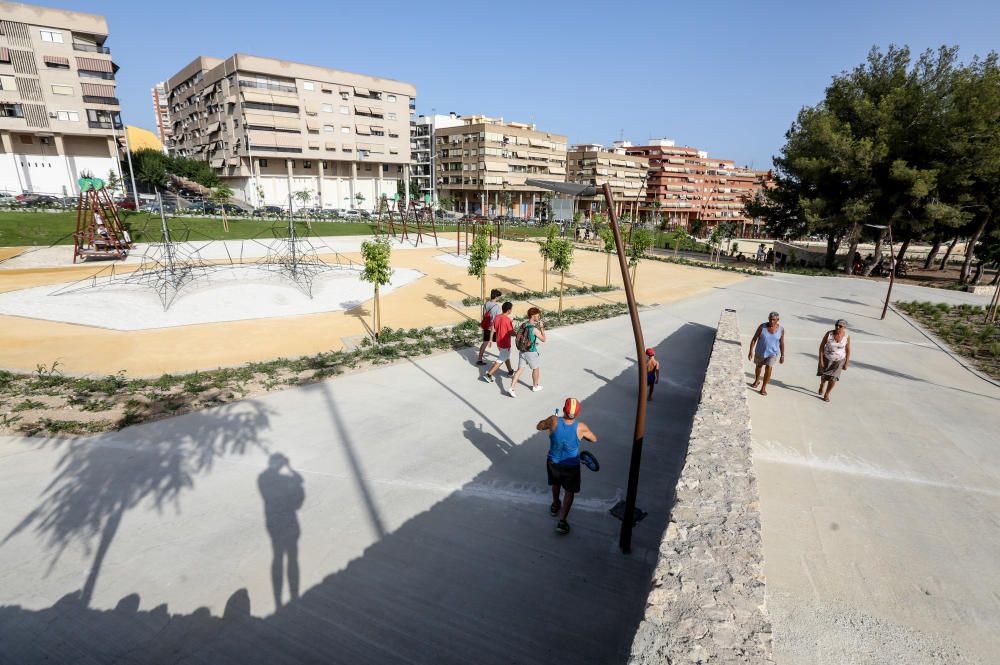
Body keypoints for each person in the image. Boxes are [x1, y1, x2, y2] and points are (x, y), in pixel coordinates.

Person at [536, 398, 598, 535]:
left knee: (555, 483)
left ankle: (555, 505)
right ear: (577, 413)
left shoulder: (553, 420)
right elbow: (594, 439)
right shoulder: (581, 427)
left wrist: (548, 422)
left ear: (564, 409)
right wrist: (581, 436)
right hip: (571, 466)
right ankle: (562, 522)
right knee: (569, 491)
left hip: (553, 462)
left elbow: (539, 426)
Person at [257, 453, 304, 609]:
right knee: (290, 558)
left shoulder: (263, 479)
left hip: (275, 523)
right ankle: (293, 596)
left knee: (280, 557)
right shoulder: (284, 480)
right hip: (288, 522)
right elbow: (298, 494)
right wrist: (290, 469)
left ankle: (280, 599)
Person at [508, 306, 546, 397]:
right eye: (538, 316)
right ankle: (535, 386)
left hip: (522, 350)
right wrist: (542, 328)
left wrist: (533, 342)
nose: (539, 317)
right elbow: (544, 339)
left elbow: (523, 337)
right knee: (535, 369)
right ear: (533, 316)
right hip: (531, 352)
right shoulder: (534, 329)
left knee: (519, 370)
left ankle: (512, 388)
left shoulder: (524, 325)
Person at [748, 311, 784, 396]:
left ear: (778, 320)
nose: (771, 321)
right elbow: (754, 339)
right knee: (758, 367)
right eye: (770, 319)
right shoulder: (762, 327)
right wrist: (750, 351)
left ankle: (763, 387)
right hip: (760, 351)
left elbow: (781, 343)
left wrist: (782, 355)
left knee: (769, 367)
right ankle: (757, 380)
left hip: (772, 353)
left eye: (773, 320)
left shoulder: (781, 329)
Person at [817, 319, 851, 402]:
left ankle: (827, 394)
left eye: (840, 326)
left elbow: (848, 350)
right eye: (836, 325)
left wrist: (846, 362)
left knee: (833, 378)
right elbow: (821, 347)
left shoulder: (847, 337)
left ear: (844, 327)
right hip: (827, 358)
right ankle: (822, 385)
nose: (837, 327)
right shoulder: (829, 334)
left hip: (839, 360)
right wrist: (821, 360)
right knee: (824, 376)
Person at [482, 301, 515, 384]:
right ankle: (489, 374)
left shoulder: (497, 317)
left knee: (505, 356)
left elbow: (492, 329)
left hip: (499, 342)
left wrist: (490, 339)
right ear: (509, 310)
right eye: (511, 309)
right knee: (501, 359)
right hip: (505, 343)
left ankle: (510, 371)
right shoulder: (507, 320)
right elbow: (511, 332)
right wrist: (518, 333)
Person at [476, 288, 503, 365]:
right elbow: (497, 319)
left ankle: (479, 359)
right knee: (499, 343)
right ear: (496, 297)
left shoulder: (486, 304)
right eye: (498, 297)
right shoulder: (497, 307)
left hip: (486, 326)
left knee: (485, 343)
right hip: (493, 328)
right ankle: (503, 357)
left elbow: (484, 315)